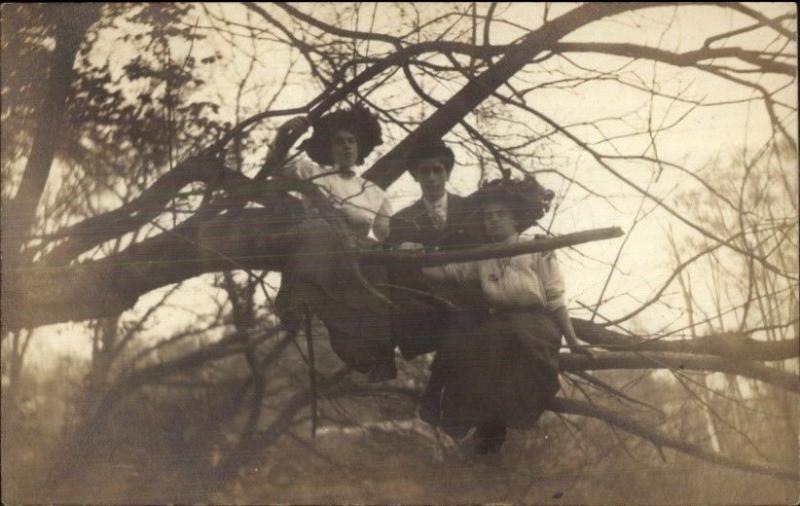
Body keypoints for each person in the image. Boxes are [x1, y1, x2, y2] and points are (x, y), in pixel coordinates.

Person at [418, 176, 592, 454]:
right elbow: (450, 271)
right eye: (488, 216)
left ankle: (495, 425)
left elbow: (556, 297)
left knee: (500, 338)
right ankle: (462, 419)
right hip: (500, 322)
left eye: (500, 214)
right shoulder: (484, 255)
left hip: (535, 324)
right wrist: (417, 257)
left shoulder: (537, 246)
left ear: (516, 218)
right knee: (465, 343)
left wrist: (573, 340)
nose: (493, 221)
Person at [270, 105, 396, 382]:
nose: (346, 147)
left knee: (376, 281)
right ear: (329, 146)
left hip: (353, 258)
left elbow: (386, 234)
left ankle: (377, 353)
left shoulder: (375, 192)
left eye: (351, 141)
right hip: (320, 251)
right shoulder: (314, 173)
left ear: (361, 145)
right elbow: (277, 164)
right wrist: (283, 134)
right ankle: (296, 303)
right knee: (319, 232)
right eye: (339, 141)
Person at [384, 139, 483, 360]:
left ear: (447, 174)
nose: (431, 178)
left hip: (470, 296)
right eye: (424, 171)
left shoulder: (471, 210)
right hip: (429, 302)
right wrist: (401, 249)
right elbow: (392, 263)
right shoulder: (402, 220)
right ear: (415, 176)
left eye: (437, 170)